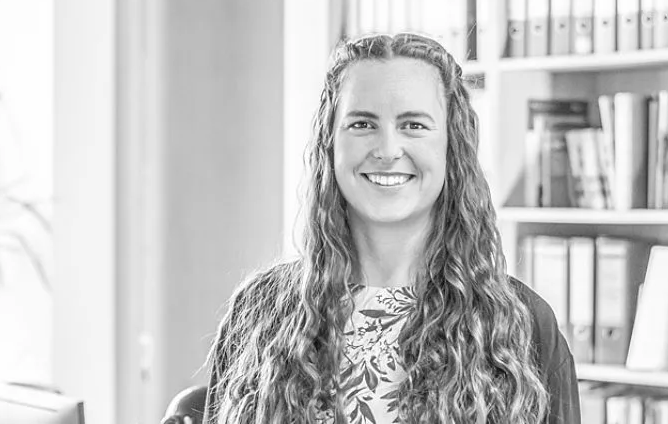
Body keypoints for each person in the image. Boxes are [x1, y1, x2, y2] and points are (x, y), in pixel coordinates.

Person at [202, 33, 580, 424]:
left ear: (452, 148)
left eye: (413, 125)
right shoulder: (260, 311)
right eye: (362, 124)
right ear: (329, 143)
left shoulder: (522, 323)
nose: (386, 150)